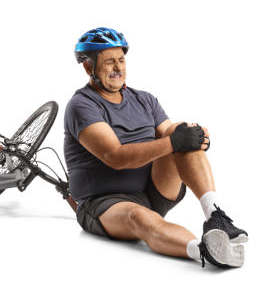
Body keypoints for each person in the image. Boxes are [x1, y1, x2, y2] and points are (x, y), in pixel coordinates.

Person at [63, 27, 248, 268]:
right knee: (140, 218)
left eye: (121, 60)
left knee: (185, 138)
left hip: (152, 190)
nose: (118, 68)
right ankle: (204, 251)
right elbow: (115, 156)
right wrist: (174, 141)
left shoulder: (144, 99)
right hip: (104, 202)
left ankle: (216, 217)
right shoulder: (82, 105)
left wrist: (194, 134)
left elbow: (169, 131)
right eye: (109, 62)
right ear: (89, 68)